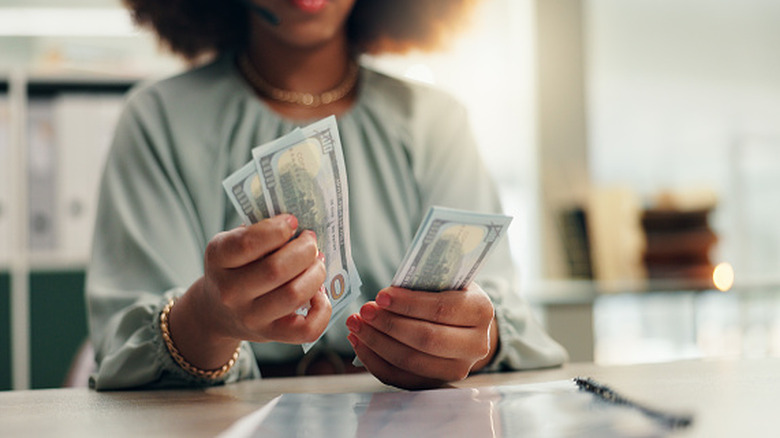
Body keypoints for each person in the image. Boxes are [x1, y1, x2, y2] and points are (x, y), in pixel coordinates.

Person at [86, 0, 567, 391]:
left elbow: (503, 310)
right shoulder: (156, 121)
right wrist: (207, 320)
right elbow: (123, 346)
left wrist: (473, 337)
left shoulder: (436, 122)